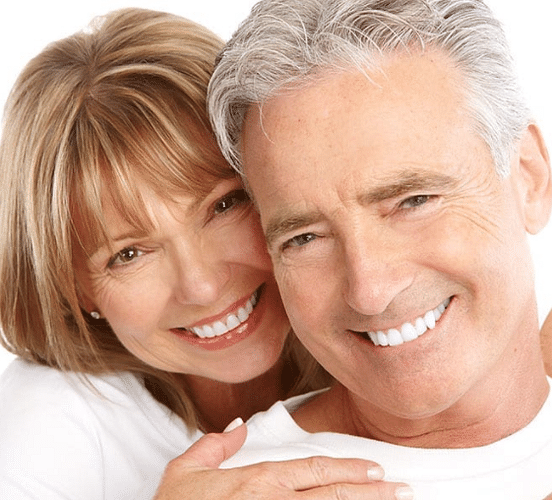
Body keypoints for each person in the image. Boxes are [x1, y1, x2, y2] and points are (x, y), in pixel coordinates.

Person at [0, 8, 408, 500]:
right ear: (74, 289)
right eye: (128, 254)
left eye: (224, 205)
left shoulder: (393, 330)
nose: (202, 285)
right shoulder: (45, 435)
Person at [208, 0, 552, 498]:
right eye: (304, 238)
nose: (370, 291)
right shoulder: (245, 488)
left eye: (413, 202)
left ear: (529, 178)